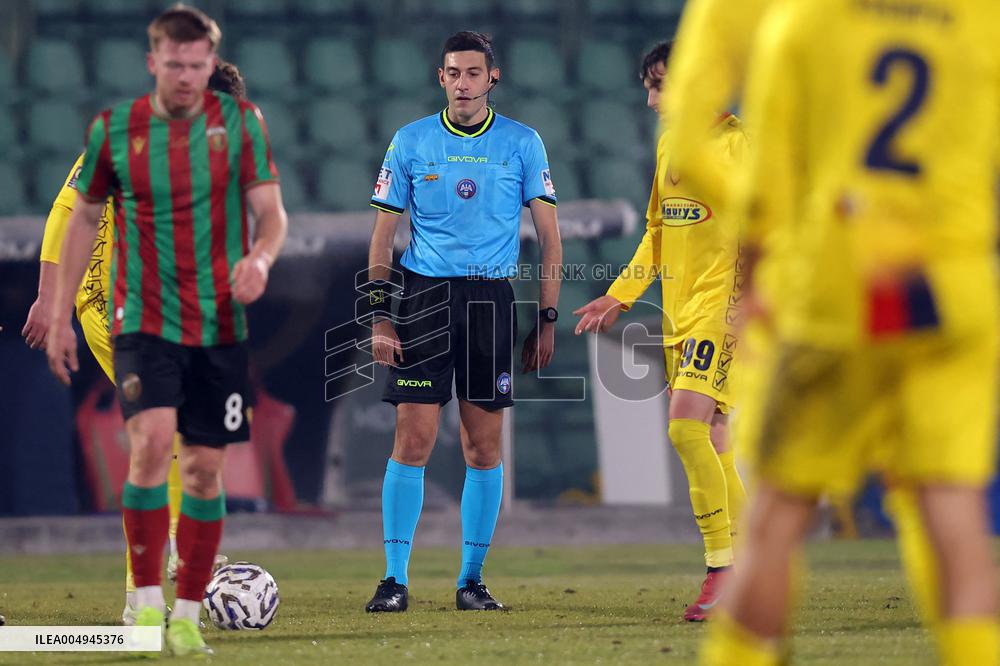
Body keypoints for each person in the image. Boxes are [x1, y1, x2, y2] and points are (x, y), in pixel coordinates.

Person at [701, 1, 1000, 664]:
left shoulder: (806, 20)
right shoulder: (984, 19)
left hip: (838, 288)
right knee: (952, 506)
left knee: (778, 512)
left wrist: (752, 284)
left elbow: (765, 180)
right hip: (950, 288)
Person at [45, 5, 287, 655]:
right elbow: (71, 212)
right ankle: (146, 599)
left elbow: (264, 214)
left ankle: (169, 592)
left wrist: (258, 259)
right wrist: (54, 302)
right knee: (160, 441)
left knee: (197, 457)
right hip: (122, 308)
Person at [23, 58, 247, 627]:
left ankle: (143, 593)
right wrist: (50, 299)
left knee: (175, 438)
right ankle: (168, 555)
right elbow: (66, 211)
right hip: (107, 300)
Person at [364, 30, 562, 613]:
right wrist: (379, 315)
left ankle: (471, 582)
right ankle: (394, 580)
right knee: (413, 440)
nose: (464, 84)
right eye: (454, 73)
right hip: (423, 299)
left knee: (483, 446)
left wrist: (547, 318)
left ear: (492, 78)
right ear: (441, 78)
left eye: (474, 73)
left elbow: (551, 240)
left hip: (489, 303)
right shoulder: (411, 140)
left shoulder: (522, 143)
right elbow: (382, 236)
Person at [573, 41, 748, 622]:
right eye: (650, 87)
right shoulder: (672, 141)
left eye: (660, 85)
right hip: (681, 310)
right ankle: (757, 567)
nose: (651, 101)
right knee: (714, 439)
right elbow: (658, 230)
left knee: (684, 427)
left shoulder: (738, 146)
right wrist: (619, 295)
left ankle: (723, 570)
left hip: (723, 307)